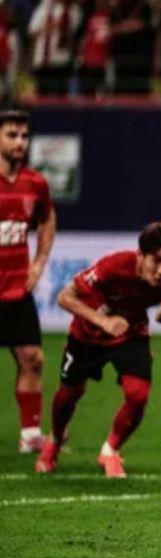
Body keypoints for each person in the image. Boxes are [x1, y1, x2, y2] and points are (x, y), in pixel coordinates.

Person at [35, 222, 161, 478]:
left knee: (138, 395)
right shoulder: (113, 267)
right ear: (141, 255)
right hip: (87, 335)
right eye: (156, 261)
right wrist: (104, 322)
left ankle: (110, 450)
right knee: (69, 394)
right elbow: (64, 297)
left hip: (129, 334)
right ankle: (55, 440)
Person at [0, 110, 55, 454]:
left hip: (17, 290)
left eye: (24, 136)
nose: (19, 142)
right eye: (11, 135)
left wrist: (38, 262)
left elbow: (47, 219)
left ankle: (31, 435)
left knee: (32, 358)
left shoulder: (35, 183)